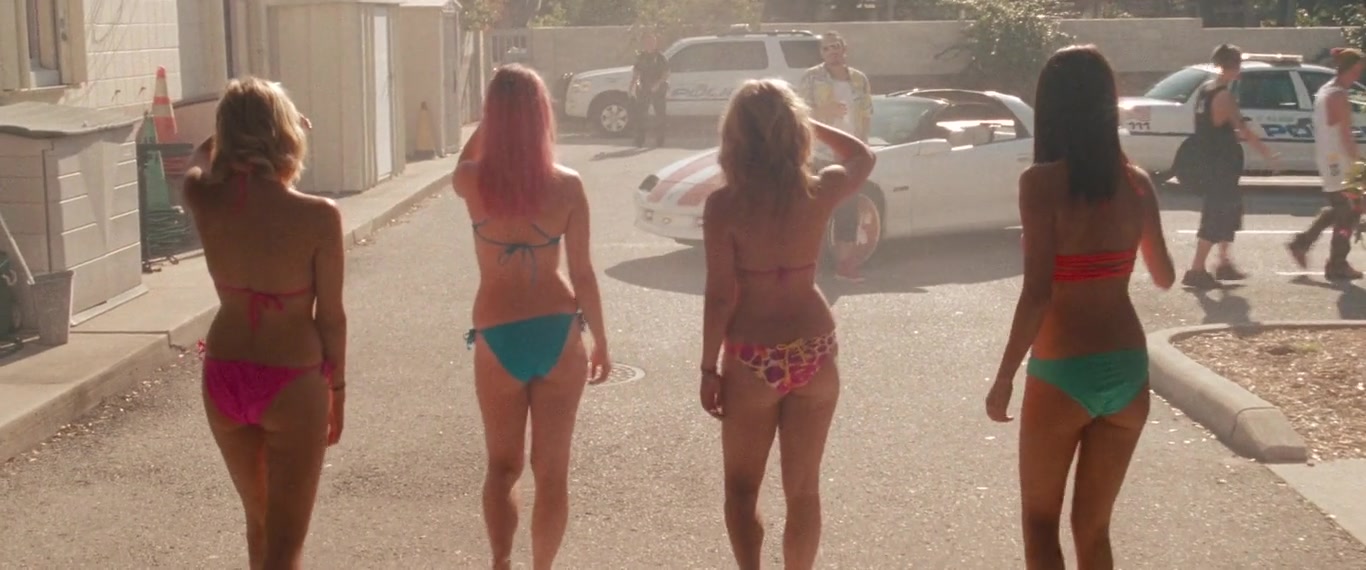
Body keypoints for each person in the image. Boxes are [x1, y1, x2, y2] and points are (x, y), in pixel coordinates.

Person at [985, 46, 1176, 569]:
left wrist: (1004, 377)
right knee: (1093, 530)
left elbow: (1037, 293)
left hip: (1062, 370)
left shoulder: (1040, 183)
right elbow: (1165, 276)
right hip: (1128, 370)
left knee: (1039, 523)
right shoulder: (1137, 182)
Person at [699, 78, 875, 570]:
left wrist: (708, 368)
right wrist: (804, 123)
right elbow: (863, 156)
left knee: (741, 490)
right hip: (814, 347)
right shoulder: (819, 189)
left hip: (753, 354)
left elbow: (720, 295)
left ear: (734, 136)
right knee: (804, 491)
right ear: (795, 132)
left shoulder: (724, 206)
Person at [452, 64, 612, 570]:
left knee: (502, 467)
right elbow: (583, 274)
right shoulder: (567, 185)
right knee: (552, 472)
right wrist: (602, 341)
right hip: (558, 331)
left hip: (497, 332)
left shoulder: (472, 181)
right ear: (543, 116)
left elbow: (464, 159)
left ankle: (501, 562)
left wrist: (492, 121)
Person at [183, 77, 347, 569]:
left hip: (224, 373)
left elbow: (198, 157)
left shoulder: (202, 196)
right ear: (285, 134)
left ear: (227, 136)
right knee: (285, 543)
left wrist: (228, 134)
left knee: (259, 525)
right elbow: (331, 318)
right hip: (292, 378)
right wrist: (338, 390)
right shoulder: (319, 217)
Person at [1180, 43, 1279, 290]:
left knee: (1230, 210)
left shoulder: (1205, 90)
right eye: (1239, 65)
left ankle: (1224, 262)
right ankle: (1196, 270)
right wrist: (1268, 154)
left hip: (1210, 159)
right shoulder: (1224, 95)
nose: (1240, 69)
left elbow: (1204, 125)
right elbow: (1242, 128)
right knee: (1216, 213)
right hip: (1221, 163)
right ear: (1233, 66)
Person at [796, 31, 874, 283]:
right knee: (816, 211)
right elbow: (800, 114)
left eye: (835, 47)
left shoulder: (859, 79)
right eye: (826, 48)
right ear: (821, 53)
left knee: (848, 211)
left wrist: (864, 145)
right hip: (820, 153)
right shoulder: (811, 77)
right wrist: (824, 110)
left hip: (851, 154)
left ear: (844, 49)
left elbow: (867, 113)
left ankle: (845, 266)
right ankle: (810, 268)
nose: (832, 52)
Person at [1287, 47, 1366, 280]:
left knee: (1342, 208)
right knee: (1349, 213)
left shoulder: (1325, 90)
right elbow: (1345, 135)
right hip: (1340, 162)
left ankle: (1302, 243)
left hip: (1329, 159)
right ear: (1348, 70)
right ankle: (1336, 263)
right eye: (1357, 71)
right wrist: (1360, 165)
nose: (1358, 76)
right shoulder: (1339, 96)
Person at [630, 31, 669, 148]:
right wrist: (633, 85)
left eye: (652, 41)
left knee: (660, 115)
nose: (650, 44)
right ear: (644, 43)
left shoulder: (660, 57)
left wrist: (657, 84)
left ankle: (660, 140)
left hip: (658, 89)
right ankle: (639, 140)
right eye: (648, 42)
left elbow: (666, 73)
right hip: (643, 88)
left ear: (655, 43)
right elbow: (636, 72)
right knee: (641, 115)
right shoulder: (641, 57)